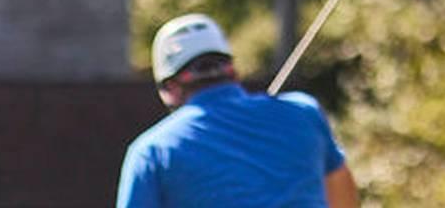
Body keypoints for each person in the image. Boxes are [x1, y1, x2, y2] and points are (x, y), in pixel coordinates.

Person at [117, 13, 359, 208]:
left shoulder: (152, 152)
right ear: (232, 71)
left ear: (169, 89)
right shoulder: (304, 112)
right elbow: (344, 199)